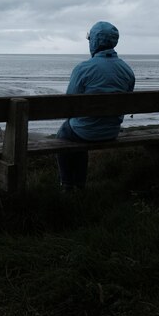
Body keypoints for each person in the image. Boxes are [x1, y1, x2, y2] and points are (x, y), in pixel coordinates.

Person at [57, 21, 135, 191]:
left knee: (65, 132)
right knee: (78, 129)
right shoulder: (127, 70)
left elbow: (69, 103)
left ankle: (67, 184)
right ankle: (79, 185)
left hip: (85, 131)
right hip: (111, 131)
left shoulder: (83, 69)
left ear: (94, 42)